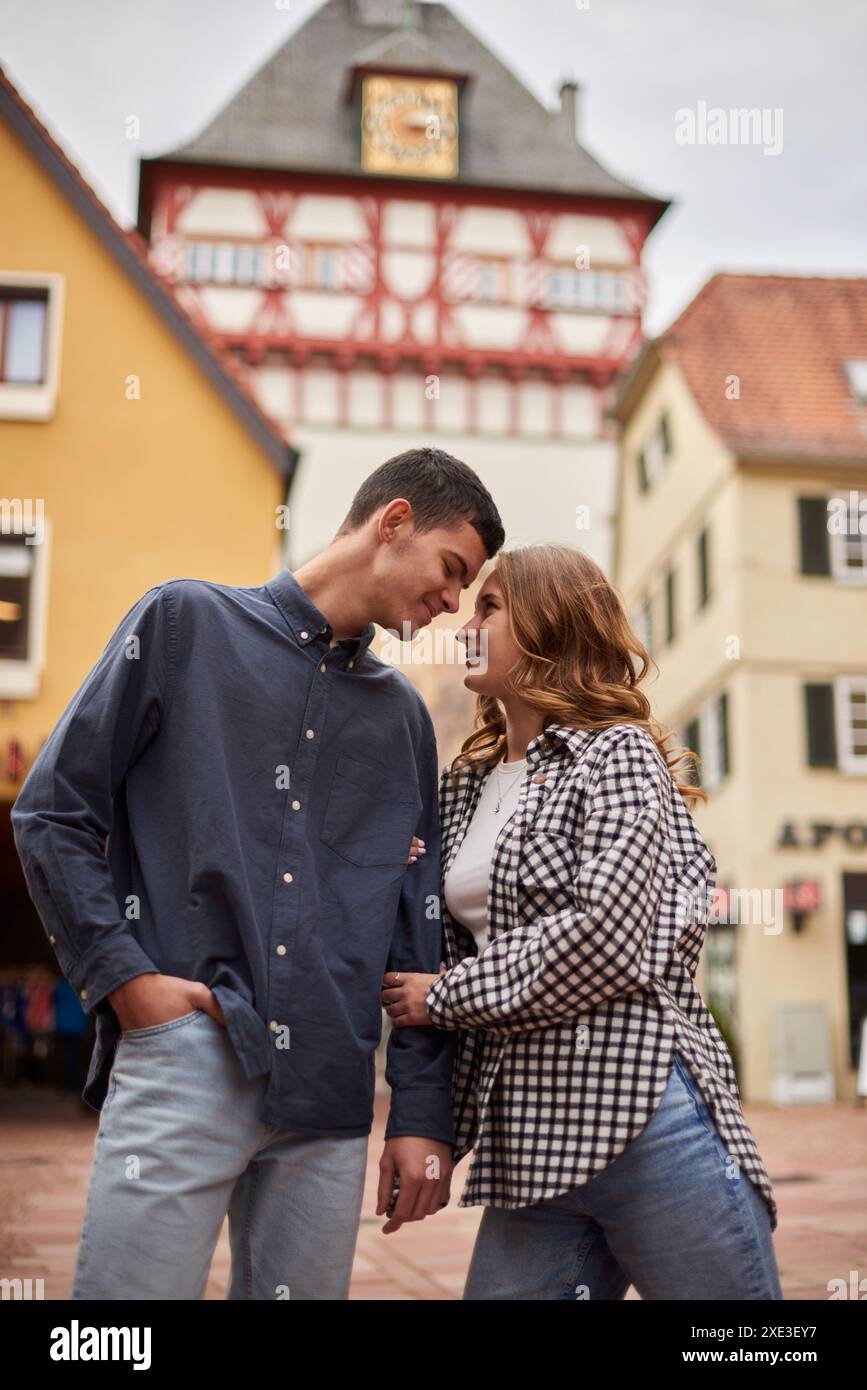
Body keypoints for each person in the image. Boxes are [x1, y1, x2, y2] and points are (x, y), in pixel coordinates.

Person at [11, 446, 504, 1300]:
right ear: (393, 522)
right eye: (451, 569)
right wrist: (126, 982)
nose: (453, 602)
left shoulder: (404, 724)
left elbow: (412, 928)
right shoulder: (182, 625)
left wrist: (420, 1116)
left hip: (331, 1093)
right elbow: (51, 813)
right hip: (187, 1052)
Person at [382, 543, 783, 1300]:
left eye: (490, 607)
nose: (468, 624)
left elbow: (606, 936)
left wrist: (445, 995)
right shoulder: (463, 788)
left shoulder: (616, 755)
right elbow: (429, 936)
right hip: (527, 1140)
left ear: (550, 622)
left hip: (642, 1113)